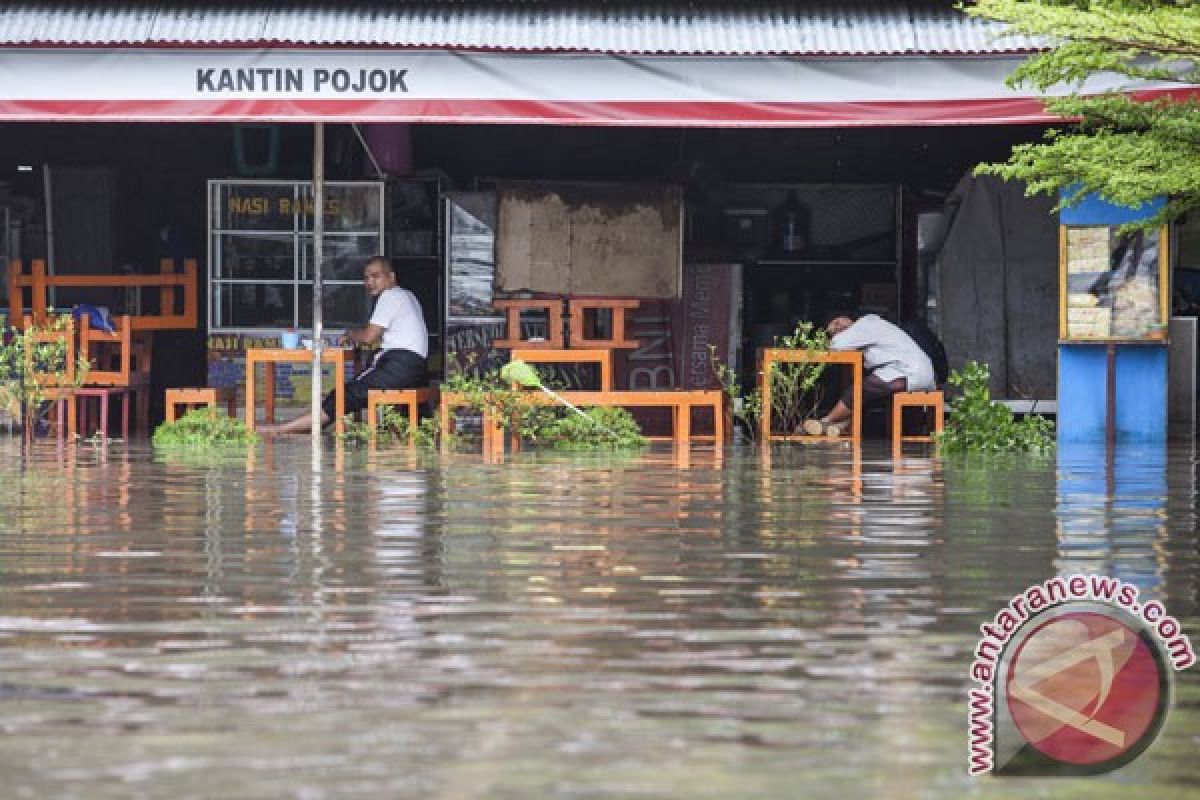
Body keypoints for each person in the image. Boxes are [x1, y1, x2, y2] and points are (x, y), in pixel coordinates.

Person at [262, 256, 428, 434]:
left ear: (391, 277)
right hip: (414, 368)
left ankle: (283, 429)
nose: (370, 282)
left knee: (343, 395)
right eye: (366, 278)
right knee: (345, 393)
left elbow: (368, 337)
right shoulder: (407, 295)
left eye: (376, 276)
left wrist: (350, 334)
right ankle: (307, 426)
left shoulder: (390, 296)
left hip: (399, 366)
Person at [803, 312, 935, 436]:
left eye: (837, 322)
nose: (838, 326)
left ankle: (826, 421)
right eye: (834, 327)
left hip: (909, 372)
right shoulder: (867, 328)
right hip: (916, 371)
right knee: (865, 388)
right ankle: (843, 424)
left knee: (859, 389)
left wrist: (833, 337)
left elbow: (836, 346)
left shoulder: (865, 324)